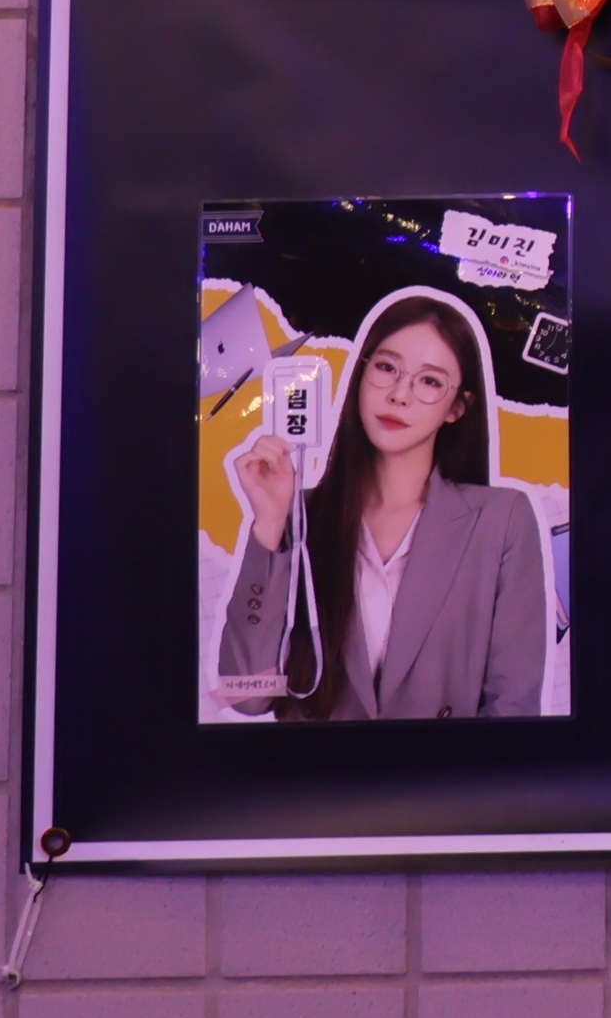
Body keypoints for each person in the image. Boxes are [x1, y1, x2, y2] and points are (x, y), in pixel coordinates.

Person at [222, 292, 550, 719]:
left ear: (457, 408)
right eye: (387, 368)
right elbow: (246, 695)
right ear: (360, 373)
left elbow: (513, 707)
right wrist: (270, 522)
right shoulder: (301, 516)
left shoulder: (501, 520)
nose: (399, 394)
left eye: (430, 381)